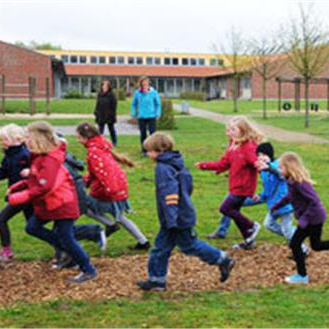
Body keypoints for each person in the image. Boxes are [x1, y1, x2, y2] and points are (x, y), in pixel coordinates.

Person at [137, 132, 235, 291]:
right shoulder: (177, 163)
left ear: (160, 150)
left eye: (149, 150)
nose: (147, 154)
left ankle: (222, 259)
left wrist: (171, 218)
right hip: (179, 214)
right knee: (162, 248)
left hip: (175, 218)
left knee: (188, 246)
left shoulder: (163, 168)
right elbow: (188, 186)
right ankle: (157, 281)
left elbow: (169, 193)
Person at [9, 121, 97, 283]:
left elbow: (44, 187)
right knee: (33, 227)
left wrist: (17, 198)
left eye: (28, 137)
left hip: (61, 204)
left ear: (38, 138)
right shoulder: (39, 156)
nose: (25, 140)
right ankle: (73, 252)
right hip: (50, 204)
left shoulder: (49, 159)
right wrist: (18, 186)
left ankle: (88, 269)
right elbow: (36, 178)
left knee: (66, 238)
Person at [270, 152, 329, 284]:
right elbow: (290, 196)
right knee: (317, 245)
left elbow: (315, 201)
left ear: (289, 167)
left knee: (295, 244)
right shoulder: (292, 182)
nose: (279, 170)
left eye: (281, 167)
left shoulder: (300, 183)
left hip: (313, 218)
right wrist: (277, 205)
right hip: (315, 217)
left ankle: (302, 276)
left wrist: (304, 219)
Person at [76, 122, 149, 250]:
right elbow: (97, 171)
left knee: (82, 204)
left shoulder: (94, 152)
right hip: (117, 188)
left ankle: (110, 224)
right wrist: (85, 181)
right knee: (120, 216)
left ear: (86, 137)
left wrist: (111, 191)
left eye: (78, 137)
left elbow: (103, 173)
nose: (77, 141)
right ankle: (143, 241)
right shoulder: (101, 146)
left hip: (108, 191)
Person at [196, 116, 263, 250]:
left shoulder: (248, 147)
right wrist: (205, 165)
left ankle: (251, 226)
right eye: (228, 130)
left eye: (233, 129)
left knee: (225, 209)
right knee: (234, 211)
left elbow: (257, 164)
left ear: (242, 130)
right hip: (235, 185)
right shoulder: (233, 146)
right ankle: (248, 240)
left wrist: (265, 171)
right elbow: (223, 163)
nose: (229, 132)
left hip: (243, 187)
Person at [0, 124, 32, 261]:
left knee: (0, 219)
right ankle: (63, 248)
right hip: (18, 195)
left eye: (4, 139)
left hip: (26, 195)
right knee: (34, 227)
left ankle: (6, 252)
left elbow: (36, 172)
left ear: (16, 139)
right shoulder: (9, 155)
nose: (2, 142)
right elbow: (3, 172)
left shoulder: (25, 155)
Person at [130, 76, 161, 155]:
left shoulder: (153, 92)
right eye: (143, 82)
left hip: (151, 116)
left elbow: (158, 104)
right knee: (143, 134)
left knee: (152, 134)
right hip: (141, 116)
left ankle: (154, 150)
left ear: (148, 83)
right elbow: (133, 104)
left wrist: (158, 113)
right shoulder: (138, 93)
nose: (145, 84)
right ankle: (144, 150)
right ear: (141, 83)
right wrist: (133, 114)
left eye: (146, 82)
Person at [94, 80, 118, 146]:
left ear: (108, 87)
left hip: (109, 115)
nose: (104, 87)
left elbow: (114, 106)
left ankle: (114, 142)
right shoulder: (100, 94)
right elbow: (97, 104)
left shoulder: (112, 95)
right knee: (100, 130)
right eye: (103, 85)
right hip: (101, 114)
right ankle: (99, 142)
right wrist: (96, 112)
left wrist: (112, 114)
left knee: (111, 129)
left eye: (106, 85)